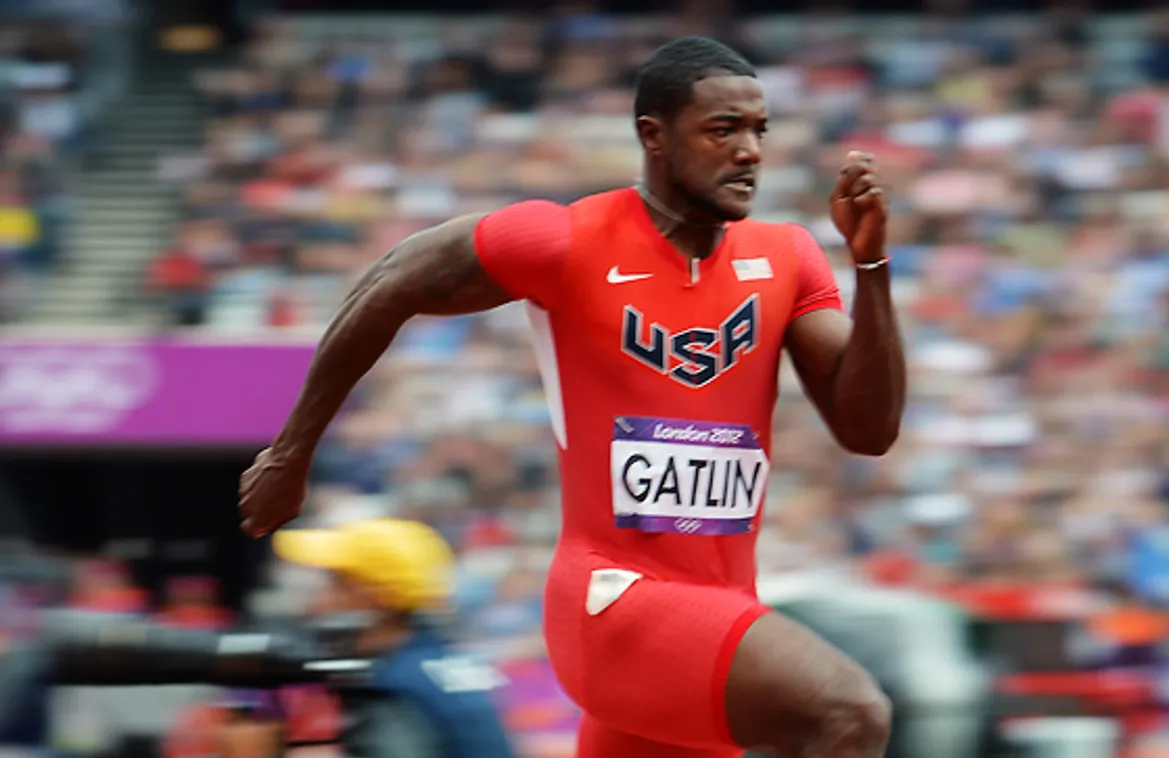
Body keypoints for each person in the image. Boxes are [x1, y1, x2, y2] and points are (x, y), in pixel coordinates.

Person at [240, 36, 906, 758]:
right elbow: (388, 282)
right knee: (849, 714)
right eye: (723, 129)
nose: (749, 151)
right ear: (653, 135)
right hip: (612, 603)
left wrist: (869, 266)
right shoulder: (565, 240)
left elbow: (867, 429)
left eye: (759, 130)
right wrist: (291, 451)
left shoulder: (786, 258)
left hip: (711, 616)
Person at [271, 517, 518, 758]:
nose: (317, 601)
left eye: (336, 584)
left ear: (377, 596)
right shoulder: (441, 662)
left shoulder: (392, 684)